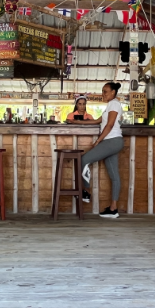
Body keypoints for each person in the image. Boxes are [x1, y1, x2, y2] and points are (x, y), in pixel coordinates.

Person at [67, 82, 124, 218]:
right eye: (103, 91)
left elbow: (109, 125)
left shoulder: (114, 104)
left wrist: (98, 141)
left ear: (113, 92)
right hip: (113, 142)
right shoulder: (110, 105)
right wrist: (76, 122)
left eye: (105, 91)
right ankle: (113, 209)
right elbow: (96, 121)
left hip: (112, 141)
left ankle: (86, 191)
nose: (103, 94)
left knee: (84, 160)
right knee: (114, 176)